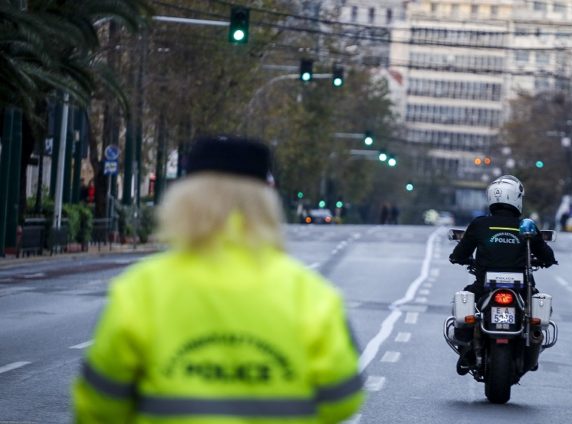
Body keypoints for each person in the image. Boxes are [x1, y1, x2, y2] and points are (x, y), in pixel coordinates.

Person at [72, 136, 364, 423]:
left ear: (183, 200)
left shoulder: (141, 288)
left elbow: (99, 404)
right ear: (266, 204)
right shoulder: (311, 294)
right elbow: (343, 399)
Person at [449, 175, 557, 297]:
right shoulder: (526, 225)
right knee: (538, 303)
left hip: (483, 288)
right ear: (516, 198)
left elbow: (460, 253)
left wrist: (457, 258)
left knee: (464, 301)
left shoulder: (480, 223)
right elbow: (546, 255)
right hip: (521, 291)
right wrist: (547, 261)